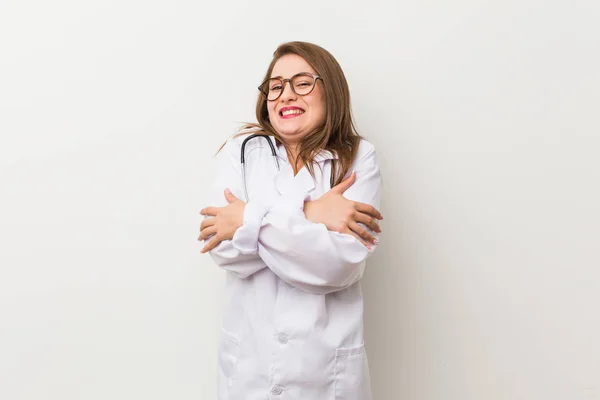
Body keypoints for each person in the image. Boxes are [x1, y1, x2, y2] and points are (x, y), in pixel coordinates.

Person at [199, 41, 383, 400]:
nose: (286, 95)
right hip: (250, 367)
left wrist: (247, 220)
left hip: (324, 373)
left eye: (302, 83)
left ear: (330, 90)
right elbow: (223, 250)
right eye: (276, 85)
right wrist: (313, 214)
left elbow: (337, 265)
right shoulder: (242, 151)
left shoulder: (359, 158)